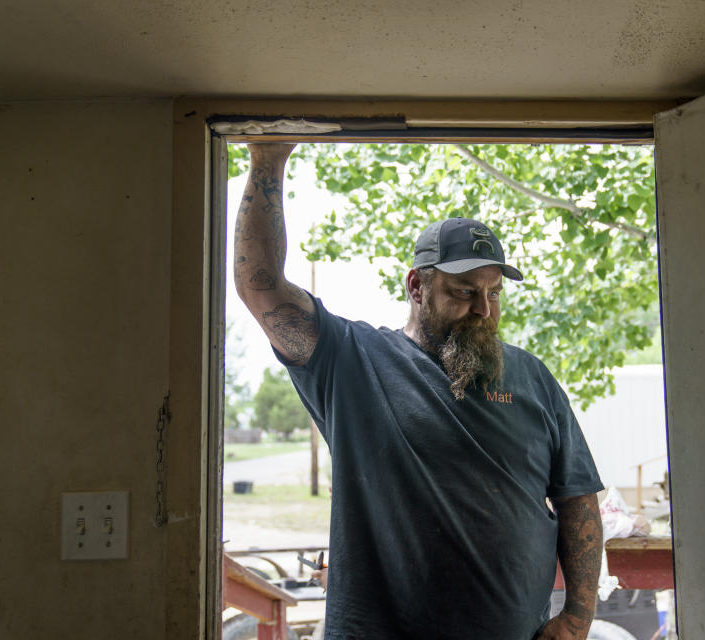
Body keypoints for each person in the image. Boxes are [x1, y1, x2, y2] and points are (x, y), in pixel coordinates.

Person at [235, 143, 604, 640]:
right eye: (464, 292)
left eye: (494, 293)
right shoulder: (353, 361)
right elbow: (261, 286)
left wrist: (579, 616)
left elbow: (577, 499)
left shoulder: (532, 377)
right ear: (416, 286)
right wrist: (269, 157)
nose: (484, 311)